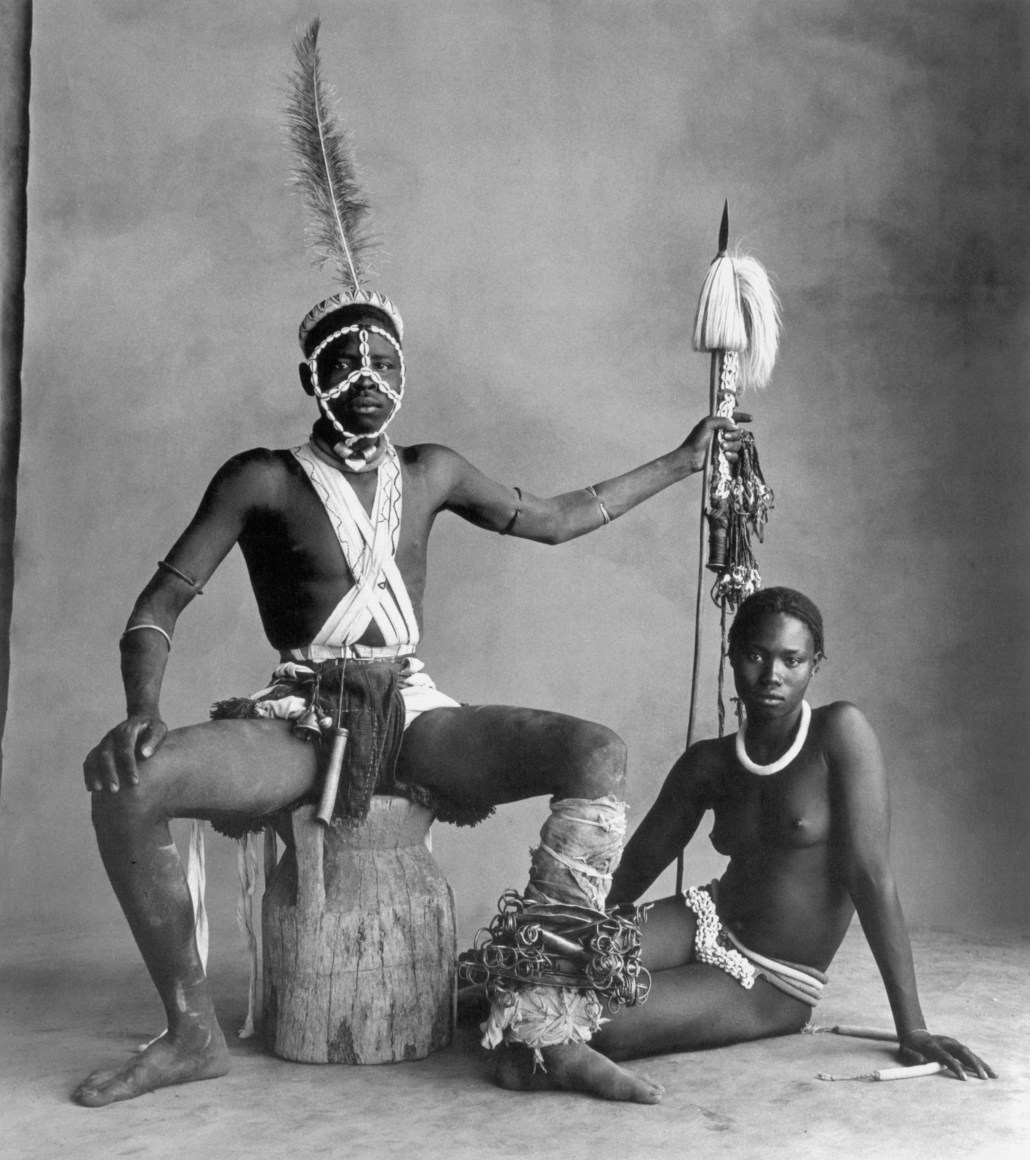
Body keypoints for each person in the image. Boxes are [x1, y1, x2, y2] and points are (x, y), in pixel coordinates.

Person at [595, 586, 996, 1082]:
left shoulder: (840, 733)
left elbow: (870, 877)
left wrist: (912, 1029)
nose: (772, 675)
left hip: (773, 977)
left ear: (815, 664)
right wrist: (565, 933)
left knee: (597, 1019)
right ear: (732, 655)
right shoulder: (708, 762)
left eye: (792, 659)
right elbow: (630, 872)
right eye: (756, 656)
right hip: (705, 917)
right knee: (547, 963)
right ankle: (483, 993)